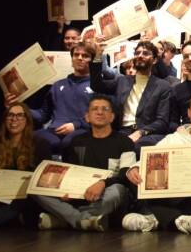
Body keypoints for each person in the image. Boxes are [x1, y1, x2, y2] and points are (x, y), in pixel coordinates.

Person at [123, 93, 191, 234]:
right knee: (138, 179)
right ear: (189, 112)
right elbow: (151, 158)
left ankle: (156, 219)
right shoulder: (174, 138)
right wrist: (135, 168)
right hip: (173, 194)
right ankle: (179, 221)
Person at [33, 94, 135, 231]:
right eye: (95, 109)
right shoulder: (76, 142)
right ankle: (85, 220)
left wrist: (103, 183)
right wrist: (65, 190)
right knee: (36, 190)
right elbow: (68, 173)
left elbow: (125, 175)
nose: (100, 112)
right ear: (87, 117)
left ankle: (68, 219)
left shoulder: (125, 142)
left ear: (112, 116)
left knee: (117, 190)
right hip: (79, 195)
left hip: (107, 196)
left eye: (105, 109)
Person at [13, 42, 95, 154]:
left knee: (70, 142)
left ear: (92, 60)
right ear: (71, 58)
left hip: (81, 130)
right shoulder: (57, 85)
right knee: (31, 137)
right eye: (76, 55)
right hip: (54, 131)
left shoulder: (96, 85)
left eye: (85, 56)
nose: (80, 58)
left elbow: (98, 115)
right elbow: (43, 115)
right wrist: (19, 106)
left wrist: (75, 125)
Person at [88, 40, 172, 150]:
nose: (140, 56)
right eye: (137, 53)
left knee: (136, 146)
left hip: (146, 133)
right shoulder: (122, 81)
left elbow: (162, 121)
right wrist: (98, 56)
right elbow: (96, 85)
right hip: (122, 131)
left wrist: (140, 132)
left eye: (145, 53)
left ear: (155, 60)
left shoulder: (163, 86)